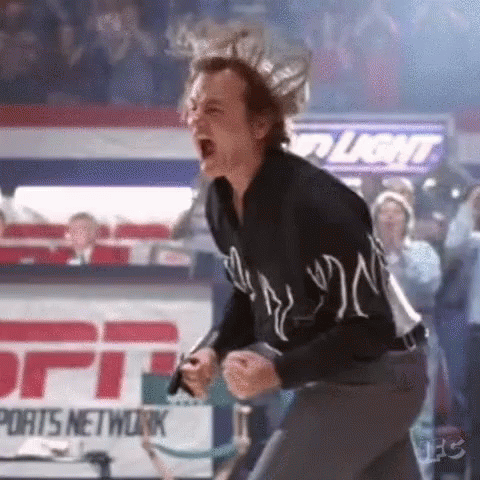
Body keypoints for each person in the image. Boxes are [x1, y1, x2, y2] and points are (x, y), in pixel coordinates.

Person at [173, 20, 428, 479]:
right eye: (192, 107)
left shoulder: (319, 205)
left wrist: (277, 373)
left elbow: (370, 328)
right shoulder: (220, 200)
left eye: (213, 109)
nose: (195, 119)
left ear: (260, 125)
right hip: (344, 373)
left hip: (381, 372)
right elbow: (250, 293)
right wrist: (214, 349)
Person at [371, 190, 442, 477]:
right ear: (375, 219)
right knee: (376, 413)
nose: (390, 217)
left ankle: (422, 474)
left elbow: (428, 287)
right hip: (377, 345)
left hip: (417, 344)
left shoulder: (422, 252)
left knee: (420, 414)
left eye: (396, 212)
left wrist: (401, 254)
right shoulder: (365, 254)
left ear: (406, 219)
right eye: (384, 212)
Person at [439, 184, 480, 479]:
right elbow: (453, 247)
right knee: (475, 411)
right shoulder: (473, 241)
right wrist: (469, 205)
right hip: (475, 333)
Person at [62, 212, 127, 265]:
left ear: (96, 232)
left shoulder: (111, 256)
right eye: (75, 229)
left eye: (86, 228)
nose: (81, 232)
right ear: (68, 233)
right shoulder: (59, 256)